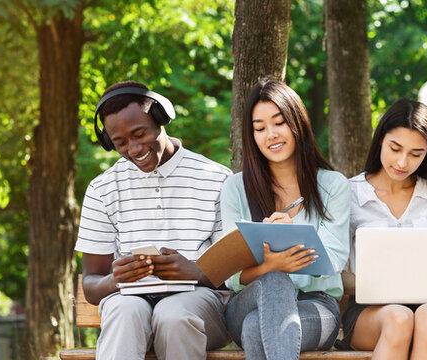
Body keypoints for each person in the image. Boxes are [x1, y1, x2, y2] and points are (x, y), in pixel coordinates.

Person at [74, 80, 233, 360]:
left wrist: (195, 271)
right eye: (120, 142)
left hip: (200, 312)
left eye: (139, 134)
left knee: (171, 315)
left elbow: (234, 273)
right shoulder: (102, 189)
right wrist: (115, 280)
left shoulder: (217, 179)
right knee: (125, 311)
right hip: (130, 310)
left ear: (161, 119)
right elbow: (91, 284)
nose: (133, 149)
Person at [218, 78, 350, 360]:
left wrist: (286, 243)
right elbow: (230, 275)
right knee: (274, 281)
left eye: (279, 123)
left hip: (316, 305)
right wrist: (273, 266)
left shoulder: (333, 185)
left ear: (297, 123)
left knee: (257, 328)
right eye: (260, 128)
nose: (271, 134)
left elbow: (334, 258)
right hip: (247, 302)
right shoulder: (235, 188)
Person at [339, 98, 427, 358]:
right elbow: (335, 273)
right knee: (399, 318)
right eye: (395, 148)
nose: (402, 162)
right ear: (380, 142)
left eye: (415, 154)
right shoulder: (350, 192)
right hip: (372, 312)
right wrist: (377, 286)